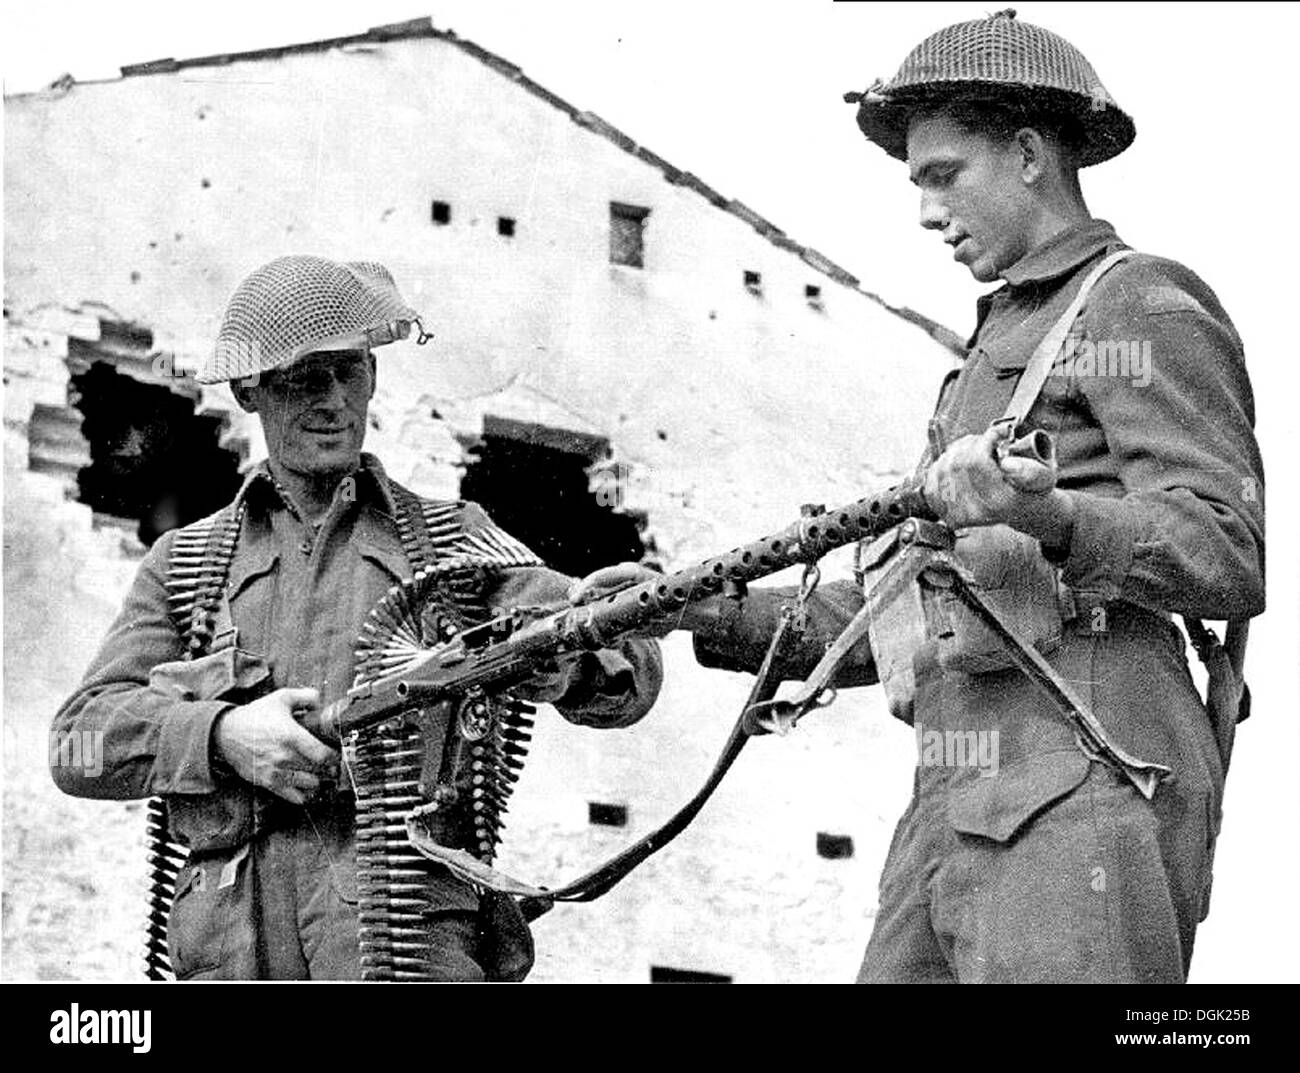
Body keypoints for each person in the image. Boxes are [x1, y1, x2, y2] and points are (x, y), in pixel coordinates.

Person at [587, 10, 1265, 983]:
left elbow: (1227, 547)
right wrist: (685, 600)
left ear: (1029, 154)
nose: (921, 211)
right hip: (953, 810)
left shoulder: (1136, 303)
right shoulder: (985, 356)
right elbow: (901, 605)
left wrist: (1051, 515)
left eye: (942, 176)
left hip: (1083, 790)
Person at [50, 255, 663, 981]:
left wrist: (573, 666)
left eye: (353, 371)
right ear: (252, 389)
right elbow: (77, 743)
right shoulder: (185, 565)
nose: (336, 400)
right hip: (230, 945)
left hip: (402, 934)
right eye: (307, 376)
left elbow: (626, 654)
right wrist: (222, 736)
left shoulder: (451, 543)